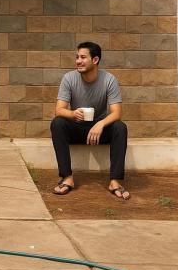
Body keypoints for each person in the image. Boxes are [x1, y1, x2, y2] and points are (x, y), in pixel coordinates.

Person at [49, 41, 130, 200]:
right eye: (77, 57)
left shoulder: (109, 80)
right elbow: (59, 110)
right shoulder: (69, 78)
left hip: (98, 132)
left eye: (83, 57)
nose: (78, 61)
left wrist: (101, 124)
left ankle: (115, 181)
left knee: (120, 127)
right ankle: (67, 178)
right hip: (77, 129)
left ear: (95, 60)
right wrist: (72, 114)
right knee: (57, 123)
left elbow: (117, 112)